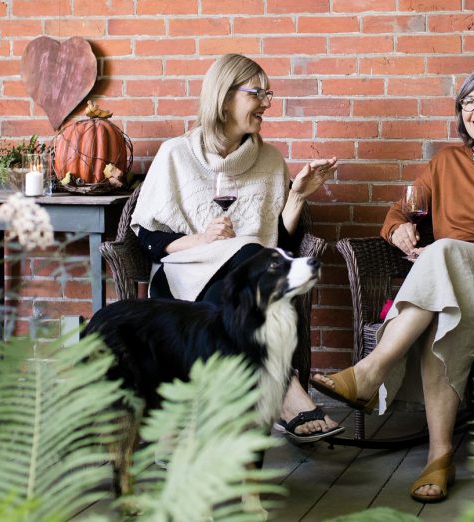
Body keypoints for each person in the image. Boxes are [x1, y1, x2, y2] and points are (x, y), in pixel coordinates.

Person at [311, 66, 474, 501]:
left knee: (444, 253)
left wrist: (455, 247)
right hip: (448, 278)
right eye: (468, 103)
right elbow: (401, 209)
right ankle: (439, 457)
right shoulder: (445, 161)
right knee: (445, 307)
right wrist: (397, 229)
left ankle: (371, 371)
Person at [130, 53, 344, 443]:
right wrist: (202, 240)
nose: (266, 102)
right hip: (184, 278)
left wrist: (296, 196)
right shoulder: (175, 154)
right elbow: (146, 239)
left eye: (269, 93)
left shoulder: (270, 159)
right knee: (248, 251)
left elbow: (280, 245)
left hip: (246, 288)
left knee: (249, 252)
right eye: (257, 93)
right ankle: (283, 388)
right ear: (224, 97)